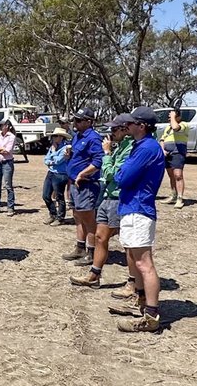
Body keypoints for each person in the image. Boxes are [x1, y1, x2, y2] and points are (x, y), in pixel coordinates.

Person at [113, 107, 167, 332]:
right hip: (132, 207)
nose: (127, 127)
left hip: (138, 208)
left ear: (142, 125)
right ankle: (142, 301)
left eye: (131, 123)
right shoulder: (141, 146)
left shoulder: (146, 148)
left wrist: (117, 169)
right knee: (136, 261)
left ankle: (151, 316)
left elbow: (122, 177)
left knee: (144, 263)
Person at [72, 115, 133, 289]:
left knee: (127, 242)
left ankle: (133, 282)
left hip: (118, 197)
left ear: (125, 129)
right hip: (108, 195)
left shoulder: (129, 148)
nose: (110, 133)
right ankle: (94, 275)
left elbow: (111, 173)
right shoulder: (120, 146)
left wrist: (107, 153)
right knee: (100, 237)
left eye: (114, 129)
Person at [64, 109, 103, 265]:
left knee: (88, 219)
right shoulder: (77, 137)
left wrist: (83, 174)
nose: (75, 123)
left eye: (79, 120)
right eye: (75, 120)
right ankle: (80, 248)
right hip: (74, 183)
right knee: (77, 216)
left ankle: (91, 252)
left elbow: (98, 161)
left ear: (89, 121)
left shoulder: (93, 138)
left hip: (85, 184)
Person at [160, 108, 188, 208]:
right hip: (168, 154)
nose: (169, 119)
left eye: (171, 117)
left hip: (178, 152)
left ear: (179, 117)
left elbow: (176, 127)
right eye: (169, 117)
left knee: (178, 175)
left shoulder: (184, 124)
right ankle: (173, 195)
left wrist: (173, 117)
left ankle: (180, 198)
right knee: (171, 175)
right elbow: (162, 139)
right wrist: (162, 150)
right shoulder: (167, 128)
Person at [42, 128, 71, 225]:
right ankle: (53, 214)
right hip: (51, 173)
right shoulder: (53, 147)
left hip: (60, 174)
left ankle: (60, 218)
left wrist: (52, 155)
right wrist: (51, 161)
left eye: (55, 136)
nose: (53, 138)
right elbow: (46, 160)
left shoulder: (66, 148)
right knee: (45, 195)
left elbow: (59, 161)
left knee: (59, 197)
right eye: (53, 136)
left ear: (61, 137)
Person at [0, 119, 18, 216]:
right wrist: (0, 149)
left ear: (7, 126)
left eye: (2, 125)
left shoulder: (12, 137)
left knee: (8, 185)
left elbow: (7, 151)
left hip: (7, 163)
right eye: (0, 125)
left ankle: (10, 207)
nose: (0, 127)